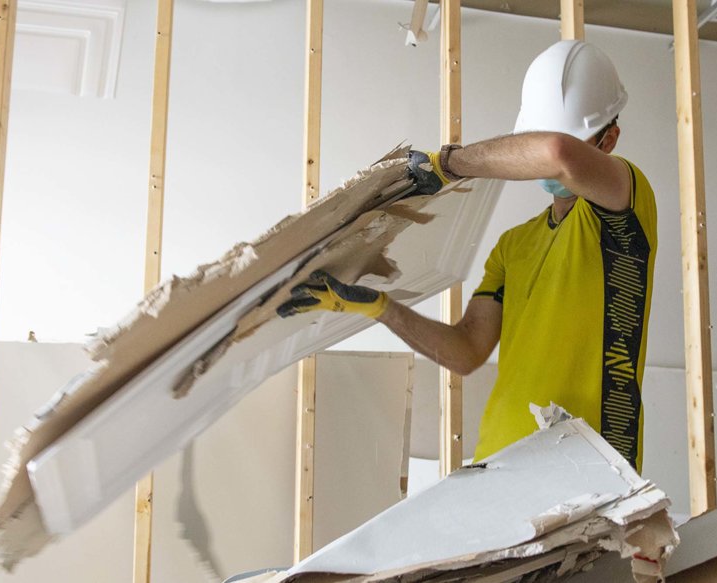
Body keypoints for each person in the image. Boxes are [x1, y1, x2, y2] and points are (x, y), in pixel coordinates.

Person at [278, 40, 657, 472]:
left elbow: (556, 154)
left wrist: (449, 164)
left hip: (592, 475)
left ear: (608, 140)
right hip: (501, 464)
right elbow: (466, 351)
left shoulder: (626, 209)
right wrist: (380, 309)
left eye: (573, 135)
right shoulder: (514, 245)